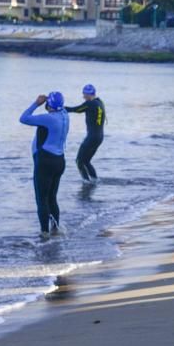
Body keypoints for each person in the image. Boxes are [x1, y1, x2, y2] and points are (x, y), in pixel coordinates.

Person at [20, 91, 70, 238]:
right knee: (52, 197)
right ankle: (55, 229)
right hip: (59, 161)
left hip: (45, 162)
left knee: (41, 199)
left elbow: (23, 118)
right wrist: (52, 101)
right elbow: (59, 105)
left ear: (48, 105)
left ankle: (44, 234)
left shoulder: (49, 119)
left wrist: (36, 103)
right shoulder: (65, 116)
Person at [65, 84, 105, 183]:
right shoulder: (99, 102)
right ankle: (95, 181)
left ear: (89, 94)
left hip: (92, 137)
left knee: (79, 161)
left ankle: (86, 183)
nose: (83, 97)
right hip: (99, 137)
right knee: (86, 161)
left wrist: (60, 108)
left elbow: (76, 109)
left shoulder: (90, 103)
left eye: (84, 95)